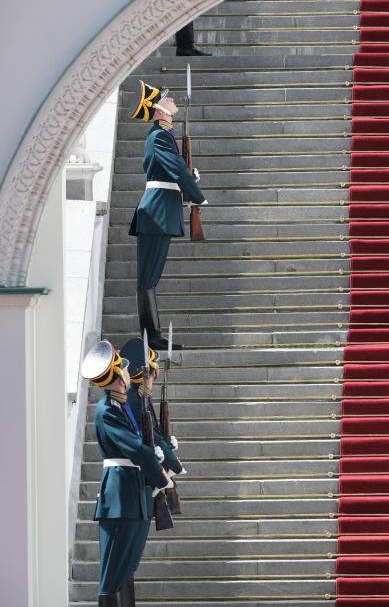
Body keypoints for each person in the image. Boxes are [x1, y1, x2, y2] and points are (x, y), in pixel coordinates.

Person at [81, 340, 172, 607]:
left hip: (133, 493)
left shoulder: (119, 407)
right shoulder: (108, 411)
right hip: (120, 495)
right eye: (124, 370)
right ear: (119, 375)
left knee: (127, 567)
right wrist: (161, 477)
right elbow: (136, 448)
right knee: (113, 576)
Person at [129, 80, 208, 350]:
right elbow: (174, 166)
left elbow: (172, 169)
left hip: (160, 209)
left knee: (150, 277)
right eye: (167, 99)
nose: (172, 101)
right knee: (148, 278)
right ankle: (152, 337)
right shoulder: (159, 135)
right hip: (157, 211)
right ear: (160, 109)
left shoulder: (162, 134)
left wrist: (187, 178)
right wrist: (196, 194)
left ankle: (152, 336)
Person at [119, 337, 184, 605]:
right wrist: (174, 464)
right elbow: (147, 439)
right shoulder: (136, 400)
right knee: (127, 560)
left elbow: (155, 434)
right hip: (137, 481)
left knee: (131, 559)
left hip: (144, 480)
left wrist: (167, 445)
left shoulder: (140, 398)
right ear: (149, 372)